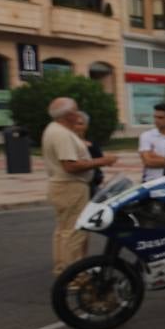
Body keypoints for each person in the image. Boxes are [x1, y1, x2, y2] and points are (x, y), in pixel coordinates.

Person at [42, 97, 117, 278]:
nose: (78, 114)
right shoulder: (62, 134)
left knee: (63, 231)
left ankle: (63, 270)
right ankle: (74, 275)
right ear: (68, 115)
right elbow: (70, 166)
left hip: (63, 185)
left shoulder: (54, 130)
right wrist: (102, 161)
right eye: (75, 110)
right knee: (74, 233)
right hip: (70, 186)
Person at [138, 102, 165, 183]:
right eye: (155, 117)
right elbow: (147, 162)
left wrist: (155, 156)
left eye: (161, 117)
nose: (156, 120)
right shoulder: (146, 136)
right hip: (151, 183)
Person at [74, 111, 106, 196]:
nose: (76, 127)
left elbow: (100, 160)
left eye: (80, 124)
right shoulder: (68, 144)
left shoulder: (92, 144)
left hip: (93, 183)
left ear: (86, 126)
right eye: (75, 123)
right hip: (76, 184)